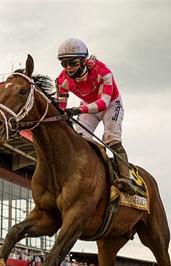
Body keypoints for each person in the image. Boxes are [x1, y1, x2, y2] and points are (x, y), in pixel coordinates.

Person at [55, 38, 134, 193]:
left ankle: (126, 177)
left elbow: (103, 103)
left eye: (73, 63)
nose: (69, 68)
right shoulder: (62, 80)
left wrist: (77, 111)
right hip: (87, 105)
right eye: (64, 64)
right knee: (79, 138)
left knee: (111, 139)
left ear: (84, 61)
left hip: (111, 104)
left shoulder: (103, 72)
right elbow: (61, 109)